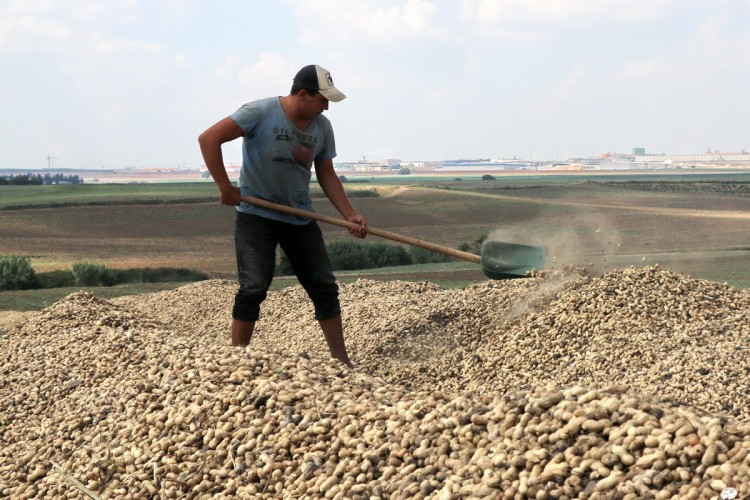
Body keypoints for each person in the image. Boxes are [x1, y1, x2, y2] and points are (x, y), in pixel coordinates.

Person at [198, 64, 366, 369]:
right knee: (253, 287)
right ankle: (236, 361)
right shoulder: (259, 112)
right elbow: (208, 139)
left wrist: (350, 214)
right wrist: (225, 187)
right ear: (303, 94)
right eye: (323, 100)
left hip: (299, 216)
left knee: (324, 286)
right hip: (256, 215)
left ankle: (342, 361)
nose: (326, 107)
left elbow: (326, 173)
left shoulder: (322, 127)